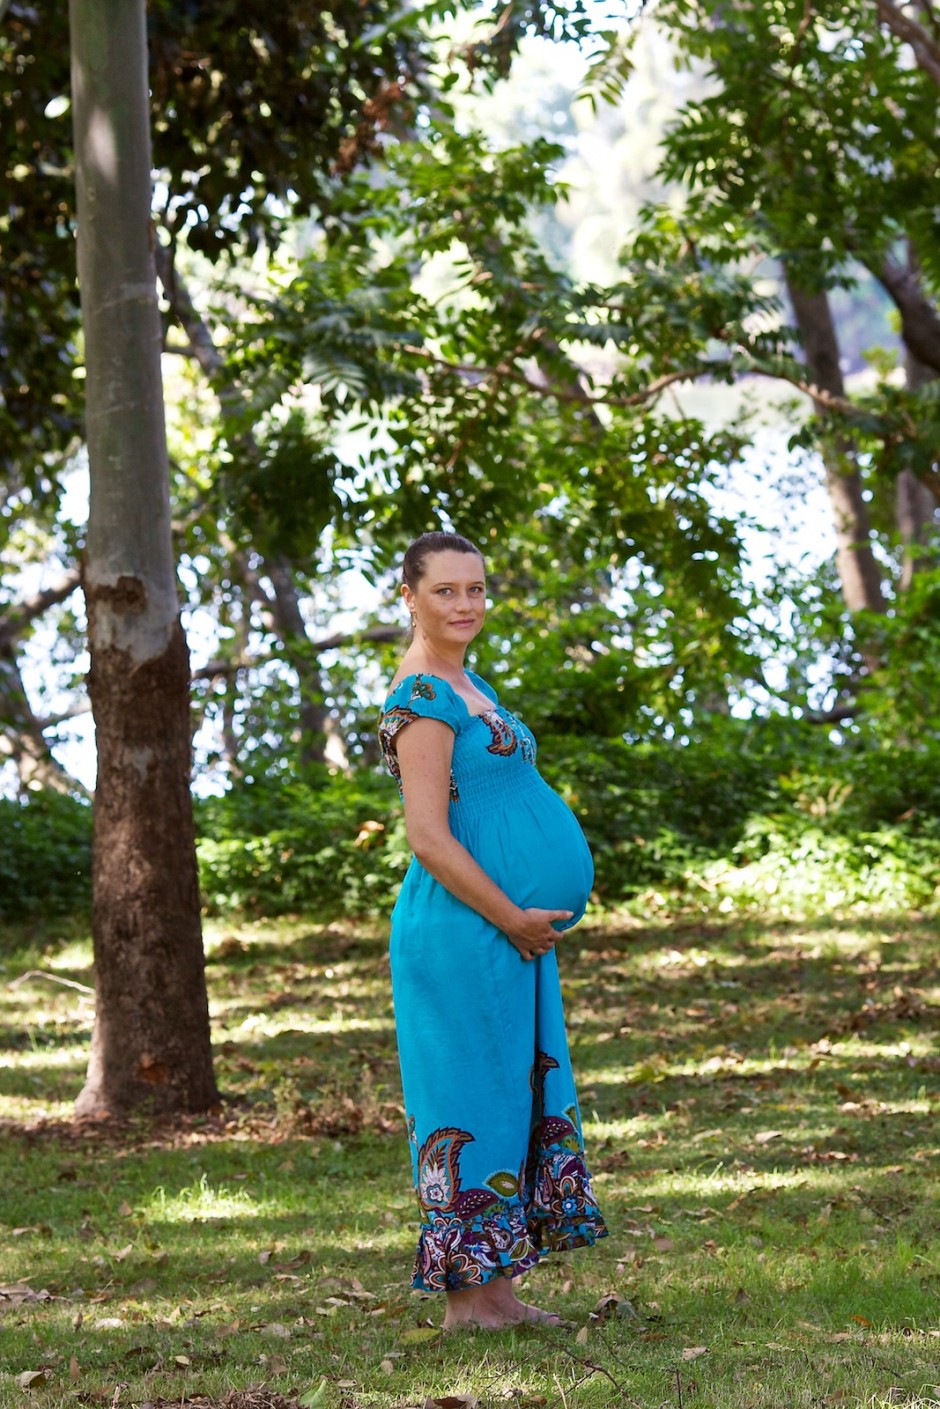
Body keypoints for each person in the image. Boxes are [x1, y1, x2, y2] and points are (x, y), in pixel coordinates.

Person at [378, 530, 608, 1331]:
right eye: (446, 590)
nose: (466, 604)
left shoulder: (465, 681)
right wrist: (511, 914)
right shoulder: (421, 697)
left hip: (503, 933)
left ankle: (497, 1293)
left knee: (509, 1097)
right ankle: (467, 1306)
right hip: (464, 931)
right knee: (468, 1098)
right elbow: (428, 835)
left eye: (476, 588)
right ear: (409, 595)